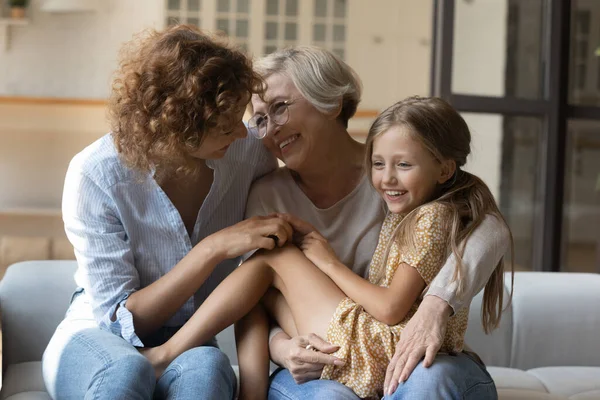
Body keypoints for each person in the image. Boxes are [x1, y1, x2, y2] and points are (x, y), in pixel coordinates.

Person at [140, 95, 513, 399]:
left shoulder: (430, 218)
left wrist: (328, 262)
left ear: (444, 170)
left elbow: (390, 308)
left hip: (379, 347)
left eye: (403, 165)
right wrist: (284, 346)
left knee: (270, 261)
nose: (386, 179)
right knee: (266, 278)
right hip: (372, 344)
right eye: (379, 164)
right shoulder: (416, 211)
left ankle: (172, 356)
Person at [41, 25, 294, 399]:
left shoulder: (248, 155)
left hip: (188, 340)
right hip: (95, 335)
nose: (241, 135)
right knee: (125, 371)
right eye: (225, 127)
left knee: (206, 371)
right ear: (179, 125)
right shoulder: (95, 174)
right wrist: (211, 249)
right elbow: (121, 324)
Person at [247, 46, 510, 399]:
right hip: (322, 365)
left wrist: (436, 304)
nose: (269, 132)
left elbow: (491, 227)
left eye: (280, 108)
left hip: (406, 361)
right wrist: (283, 349)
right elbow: (254, 297)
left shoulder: (398, 181)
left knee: (427, 380)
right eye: (261, 118)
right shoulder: (267, 196)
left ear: (331, 103)